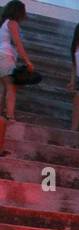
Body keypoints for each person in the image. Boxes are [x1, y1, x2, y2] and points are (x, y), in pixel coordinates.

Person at [0, 2, 33, 158]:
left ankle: (4, 114)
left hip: (2, 56)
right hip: (5, 57)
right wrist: (27, 61)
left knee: (5, 88)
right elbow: (18, 43)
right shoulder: (12, 23)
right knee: (11, 86)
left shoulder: (3, 23)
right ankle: (10, 115)